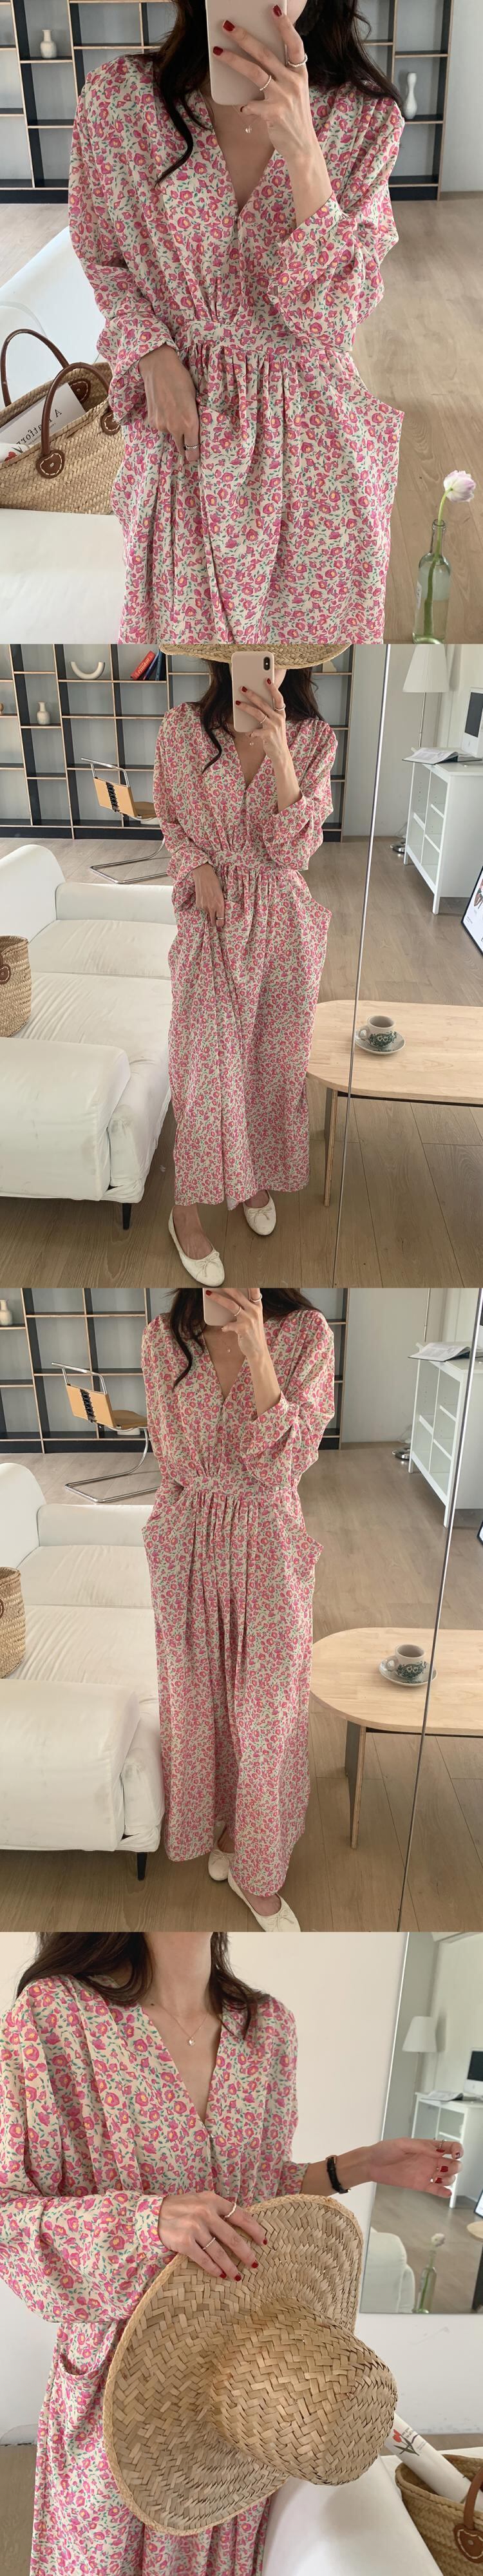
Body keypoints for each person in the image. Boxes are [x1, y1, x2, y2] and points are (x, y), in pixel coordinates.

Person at [0, 1932, 462, 2576]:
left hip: (235, 2386)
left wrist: (356, 2166)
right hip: (122, 2388)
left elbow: (256, 2193)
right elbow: (10, 2216)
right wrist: (146, 2220)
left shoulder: (267, 2029)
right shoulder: (56, 2017)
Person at [68, 1, 404, 654]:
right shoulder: (120, 103)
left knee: (304, 644)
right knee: (189, 642)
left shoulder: (364, 119)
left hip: (316, 451)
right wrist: (150, 351)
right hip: (184, 436)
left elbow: (334, 318)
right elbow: (101, 253)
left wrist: (304, 150)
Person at [141, 1287, 334, 1927]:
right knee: (199, 1710)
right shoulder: (162, 1339)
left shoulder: (306, 1333)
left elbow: (289, 1462)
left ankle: (258, 1870)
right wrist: (168, 1537)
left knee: (267, 1717)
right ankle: (224, 1829)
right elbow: (171, 1459)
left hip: (268, 1545)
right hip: (189, 1544)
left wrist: (258, 1352)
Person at [153, 663, 335, 1280]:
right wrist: (198, 865)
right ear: (222, 658)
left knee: (268, 1066)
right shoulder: (183, 730)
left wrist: (281, 751)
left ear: (292, 661)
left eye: (275, 656)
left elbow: (295, 850)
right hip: (212, 919)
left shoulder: (314, 738)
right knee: (202, 1069)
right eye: (250, 653)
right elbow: (170, 816)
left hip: (282, 924)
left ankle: (253, 1178)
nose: (263, 665)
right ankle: (185, 1213)